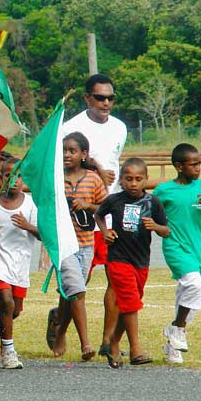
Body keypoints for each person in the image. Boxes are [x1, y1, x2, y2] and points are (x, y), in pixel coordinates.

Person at [62, 73, 127, 359]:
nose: (106, 103)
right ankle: (60, 325)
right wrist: (97, 169)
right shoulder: (71, 127)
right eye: (100, 97)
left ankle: (107, 340)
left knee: (116, 276)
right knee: (78, 281)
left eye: (111, 98)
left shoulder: (120, 127)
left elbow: (116, 164)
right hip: (83, 216)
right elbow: (65, 164)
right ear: (87, 98)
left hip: (112, 210)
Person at [153, 143, 201, 365]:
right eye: (194, 164)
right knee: (194, 285)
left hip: (196, 249)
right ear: (179, 166)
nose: (198, 168)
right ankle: (178, 328)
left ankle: (172, 345)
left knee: (188, 293)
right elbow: (150, 211)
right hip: (175, 246)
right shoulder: (164, 190)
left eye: (199, 164)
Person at [96, 158, 168, 367]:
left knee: (129, 305)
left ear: (146, 180)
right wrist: (105, 232)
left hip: (141, 261)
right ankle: (136, 349)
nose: (133, 183)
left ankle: (113, 342)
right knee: (130, 301)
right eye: (128, 179)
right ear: (121, 180)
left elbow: (166, 230)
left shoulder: (153, 202)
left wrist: (155, 226)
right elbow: (99, 215)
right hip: (118, 259)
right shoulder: (114, 200)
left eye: (138, 179)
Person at [49, 132, 106, 361]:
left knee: (70, 294)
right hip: (64, 245)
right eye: (64, 150)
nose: (67, 155)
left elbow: (105, 206)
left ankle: (60, 331)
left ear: (83, 154)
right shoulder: (55, 178)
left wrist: (88, 205)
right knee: (78, 291)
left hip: (86, 244)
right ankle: (86, 344)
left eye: (72, 151)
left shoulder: (93, 179)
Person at [0, 157, 38, 370]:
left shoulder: (31, 204)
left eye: (18, 176)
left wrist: (27, 226)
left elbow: (42, 234)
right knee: (5, 300)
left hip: (20, 264)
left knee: (14, 311)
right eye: (8, 175)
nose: (14, 180)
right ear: (1, 178)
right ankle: (8, 351)